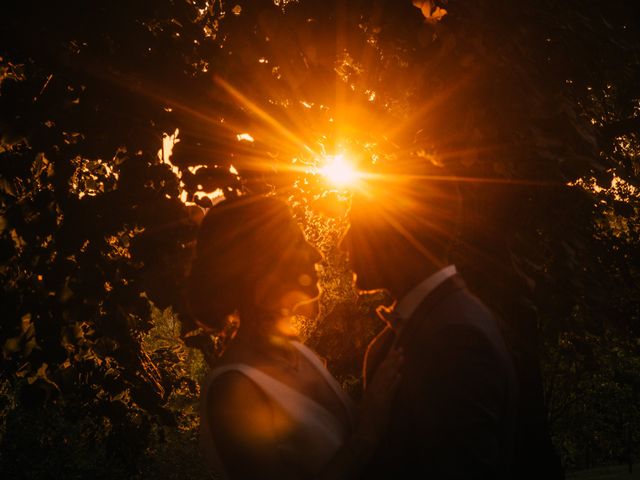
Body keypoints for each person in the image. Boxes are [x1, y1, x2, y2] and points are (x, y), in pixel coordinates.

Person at [187, 194, 403, 480]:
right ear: (264, 263)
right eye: (300, 242)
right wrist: (367, 434)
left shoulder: (298, 353)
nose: (317, 254)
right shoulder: (233, 391)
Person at [340, 162, 519, 479]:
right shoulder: (443, 319)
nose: (343, 244)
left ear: (394, 236)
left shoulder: (455, 339)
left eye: (354, 225)